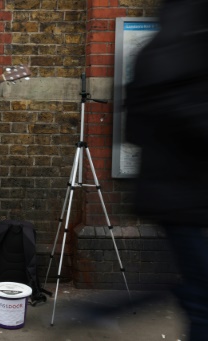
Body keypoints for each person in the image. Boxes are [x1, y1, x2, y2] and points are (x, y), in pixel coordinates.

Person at [125, 1, 208, 340]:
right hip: (181, 193)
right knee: (201, 296)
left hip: (176, 192)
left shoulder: (158, 50)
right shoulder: (185, 51)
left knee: (198, 288)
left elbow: (134, 129)